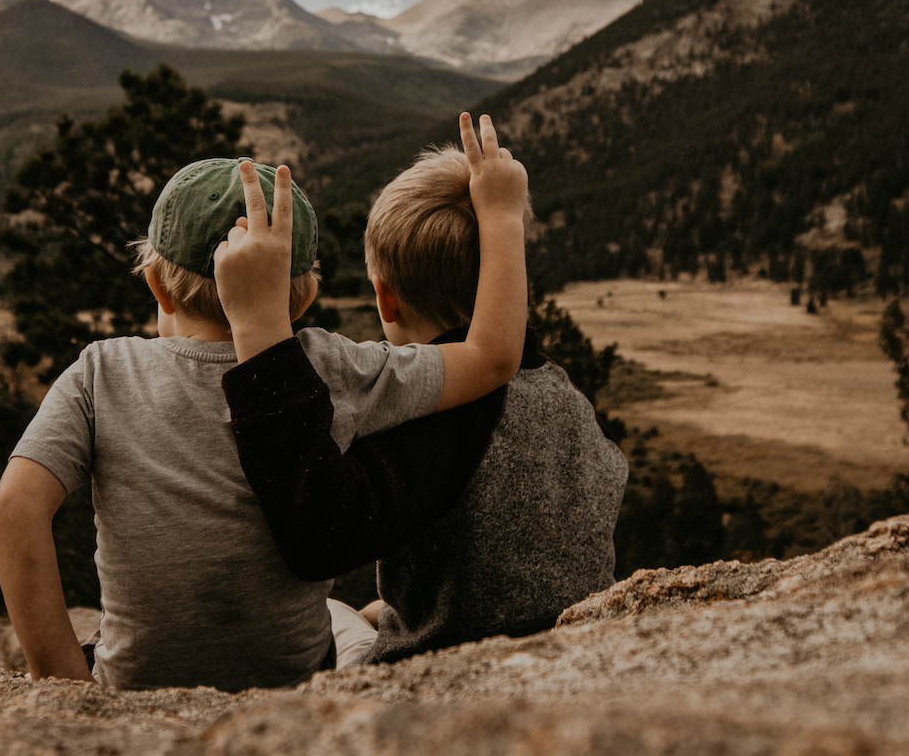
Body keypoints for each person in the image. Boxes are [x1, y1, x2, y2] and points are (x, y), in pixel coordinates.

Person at [0, 114, 529, 691]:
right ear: (304, 297)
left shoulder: (100, 373)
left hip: (133, 685)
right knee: (350, 624)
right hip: (294, 688)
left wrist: (66, 685)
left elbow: (15, 512)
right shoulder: (332, 367)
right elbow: (494, 357)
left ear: (156, 284)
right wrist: (498, 213)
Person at [221, 143, 628, 665]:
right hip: (576, 653)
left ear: (384, 297)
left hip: (443, 672)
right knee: (366, 612)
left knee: (332, 618)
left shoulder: (434, 414)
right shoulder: (563, 392)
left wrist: (263, 339)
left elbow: (319, 533)